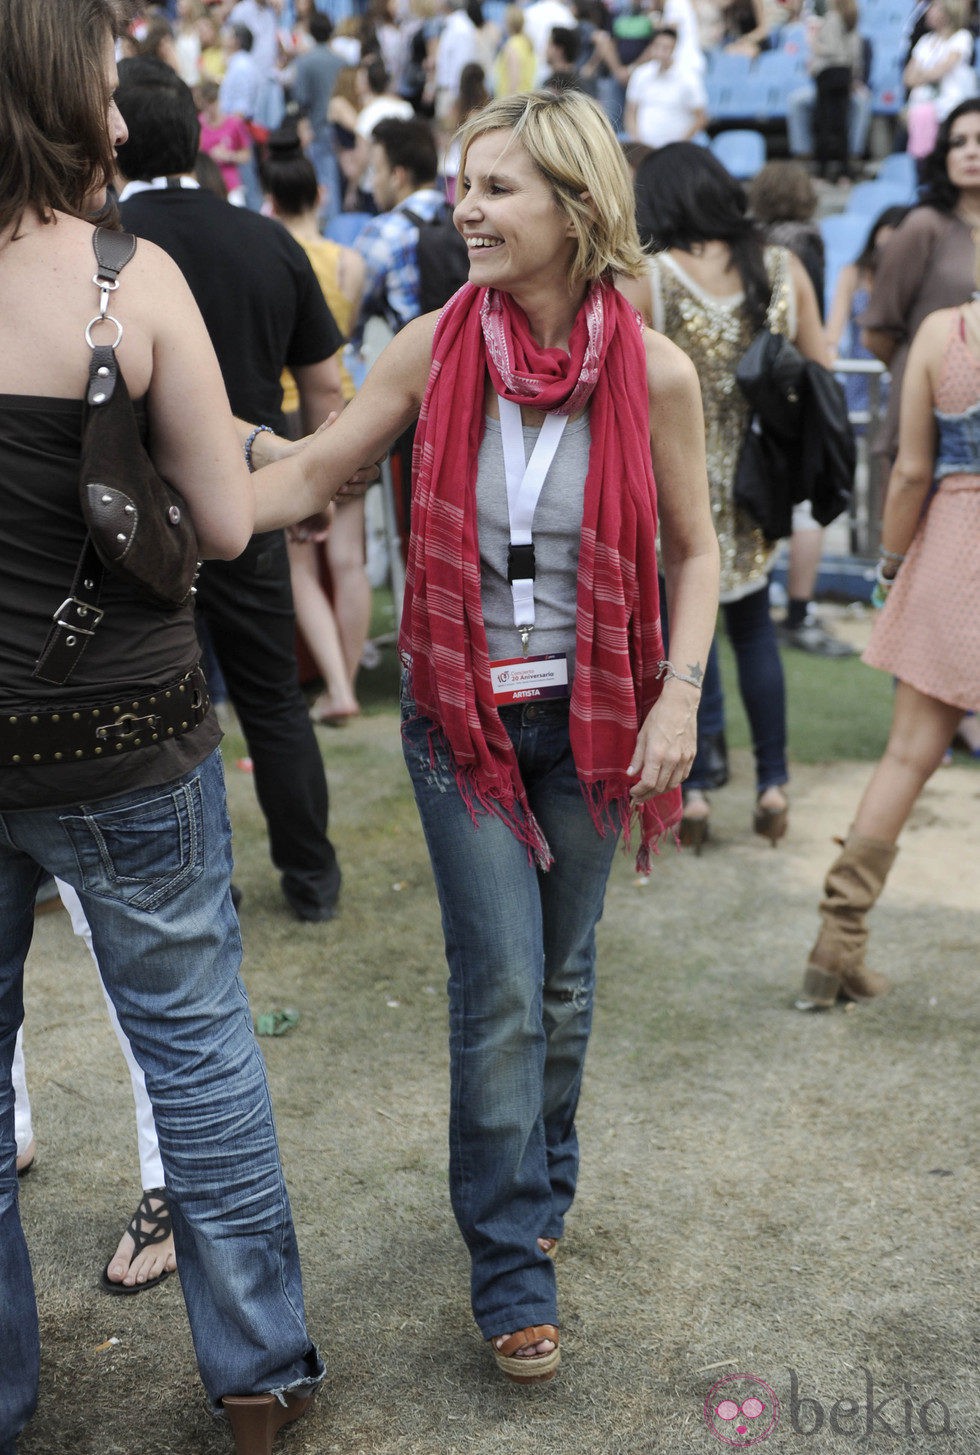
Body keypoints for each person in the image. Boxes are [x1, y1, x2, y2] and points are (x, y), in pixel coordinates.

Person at [0, 0, 382, 1446]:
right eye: (101, 94)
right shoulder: (125, 276)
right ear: (60, 103)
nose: (119, 121)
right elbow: (226, 525)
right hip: (125, 734)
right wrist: (334, 440)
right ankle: (256, 1374)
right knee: (201, 1049)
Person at [309, 86, 718, 1379]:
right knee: (500, 994)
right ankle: (507, 1260)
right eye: (463, 185)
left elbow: (700, 554)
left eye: (497, 189)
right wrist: (186, 455)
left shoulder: (651, 368)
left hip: (598, 724)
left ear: (577, 207)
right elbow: (318, 467)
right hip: (463, 722)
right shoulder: (434, 343)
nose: (463, 208)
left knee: (562, 981)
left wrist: (681, 692)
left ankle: (540, 1196)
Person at [116, 57, 349, 925]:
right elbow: (327, 390)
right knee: (271, 700)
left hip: (132, 517)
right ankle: (312, 879)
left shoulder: (102, 243)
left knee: (148, 710)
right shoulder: (264, 237)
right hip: (247, 502)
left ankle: (176, 889)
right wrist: (311, 487)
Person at [622, 142, 828, 848]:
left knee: (689, 626)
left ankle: (700, 792)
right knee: (753, 630)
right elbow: (821, 373)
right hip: (755, 478)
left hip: (671, 479)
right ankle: (773, 781)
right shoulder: (781, 266)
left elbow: (621, 380)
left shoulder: (650, 275)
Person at [796, 272, 980, 1008]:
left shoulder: (945, 332)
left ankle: (835, 945)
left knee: (907, 756)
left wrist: (892, 570)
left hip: (953, 553)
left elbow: (909, 471)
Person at [262, 135, 371, 724]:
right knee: (349, 558)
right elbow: (340, 339)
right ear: (320, 192)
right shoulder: (348, 261)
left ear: (270, 197)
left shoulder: (272, 251)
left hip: (287, 410)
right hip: (348, 406)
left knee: (300, 558)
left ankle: (336, 683)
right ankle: (348, 678)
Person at [748, 160, 857, 659]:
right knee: (806, 506)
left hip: (755, 376)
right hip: (792, 379)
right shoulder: (804, 242)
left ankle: (753, 592)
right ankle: (797, 608)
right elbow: (804, 316)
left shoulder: (750, 240)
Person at [903, 0, 977, 160]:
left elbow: (941, 71)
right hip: (920, 109)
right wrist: (929, 73)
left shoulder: (962, 37)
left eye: (933, 9)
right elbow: (908, 78)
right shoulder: (924, 41)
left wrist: (921, 73)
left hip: (949, 110)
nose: (928, 12)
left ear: (946, 14)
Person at [623, 26, 708, 147]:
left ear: (675, 49)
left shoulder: (689, 78)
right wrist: (636, 140)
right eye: (657, 46)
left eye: (666, 48)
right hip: (643, 148)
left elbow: (701, 118)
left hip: (675, 150)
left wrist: (681, 144)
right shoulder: (640, 74)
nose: (660, 51)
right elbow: (631, 111)